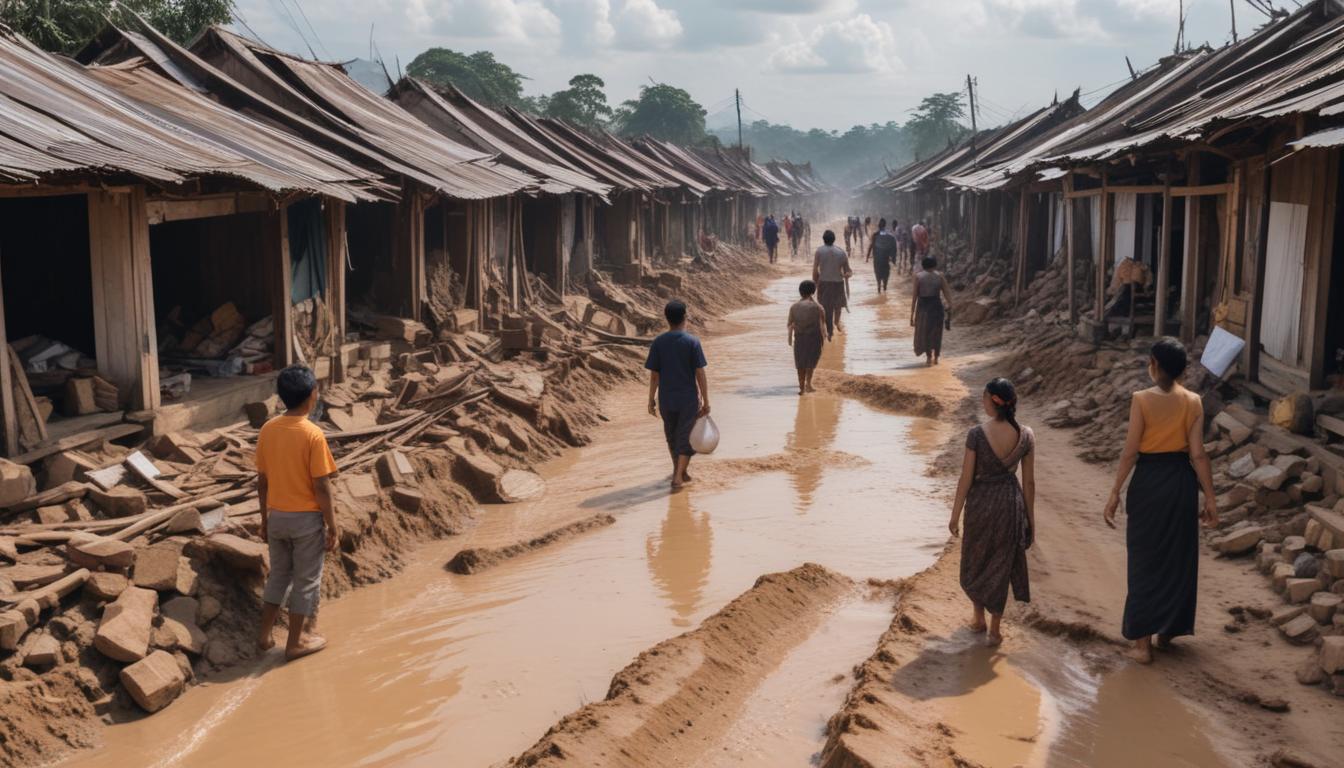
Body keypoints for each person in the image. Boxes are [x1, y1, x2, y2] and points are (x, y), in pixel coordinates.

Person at [1103, 338, 1218, 664]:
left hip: (1149, 482)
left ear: (1154, 364)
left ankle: (1143, 644)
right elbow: (1198, 453)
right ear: (1182, 369)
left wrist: (1115, 491)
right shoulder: (1193, 401)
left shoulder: (1141, 400)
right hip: (1181, 483)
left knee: (1144, 560)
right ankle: (1168, 631)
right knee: (1178, 559)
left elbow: (1131, 451)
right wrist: (1210, 497)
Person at [255, 364, 339, 662]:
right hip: (305, 521)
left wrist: (264, 520)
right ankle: (296, 642)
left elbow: (262, 481)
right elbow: (322, 487)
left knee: (278, 575)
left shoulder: (268, 429)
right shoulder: (313, 434)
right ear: (312, 395)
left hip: (276, 517)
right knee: (306, 581)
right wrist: (332, 526)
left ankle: (265, 636)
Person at [949, 378, 1035, 647]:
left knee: (976, 559)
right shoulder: (1027, 435)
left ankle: (978, 618)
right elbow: (1029, 483)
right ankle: (995, 629)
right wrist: (1030, 520)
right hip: (1010, 503)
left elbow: (966, 477)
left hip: (981, 503)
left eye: (984, 397)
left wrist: (955, 513)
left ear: (991, 400)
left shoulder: (976, 434)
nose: (983, 402)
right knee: (1001, 564)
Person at [646, 300, 711, 490]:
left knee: (672, 436)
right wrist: (706, 400)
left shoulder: (658, 342)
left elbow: (654, 375)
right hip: (688, 399)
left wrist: (651, 399)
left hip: (666, 399)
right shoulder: (692, 342)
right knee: (686, 437)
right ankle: (677, 477)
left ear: (667, 318)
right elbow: (700, 373)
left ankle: (680, 471)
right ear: (685, 317)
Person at [812, 229, 852, 341]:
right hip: (838, 284)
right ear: (833, 240)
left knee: (825, 308)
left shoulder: (819, 251)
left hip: (824, 284)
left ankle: (829, 332)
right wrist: (847, 275)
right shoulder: (841, 252)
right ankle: (836, 322)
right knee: (837, 306)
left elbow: (815, 270)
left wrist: (814, 284)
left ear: (823, 239)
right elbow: (848, 271)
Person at [787, 279, 826, 395]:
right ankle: (808, 384)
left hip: (800, 338)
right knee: (810, 363)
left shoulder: (794, 307)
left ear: (800, 292)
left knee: (800, 363)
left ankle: (801, 387)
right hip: (814, 338)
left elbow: (789, 324)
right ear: (813, 292)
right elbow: (822, 325)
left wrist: (790, 336)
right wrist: (824, 338)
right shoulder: (818, 307)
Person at [867, 218, 898, 293]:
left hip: (877, 259)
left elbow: (871, 246)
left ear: (878, 226)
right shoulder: (890, 236)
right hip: (885, 259)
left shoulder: (875, 235)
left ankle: (879, 288)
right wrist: (894, 259)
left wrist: (867, 257)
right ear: (885, 225)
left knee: (878, 273)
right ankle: (884, 288)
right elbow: (894, 248)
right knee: (886, 274)